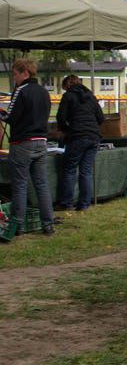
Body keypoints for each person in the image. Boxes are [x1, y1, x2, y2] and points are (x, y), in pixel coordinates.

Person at [0, 59, 55, 239]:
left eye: (15, 74)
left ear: (24, 73)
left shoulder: (21, 91)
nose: (14, 78)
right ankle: (48, 224)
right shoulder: (44, 92)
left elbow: (11, 117)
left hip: (22, 142)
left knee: (20, 185)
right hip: (41, 140)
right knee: (41, 185)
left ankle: (19, 225)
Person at [55, 75, 104, 212]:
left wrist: (66, 130)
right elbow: (101, 117)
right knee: (86, 172)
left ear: (66, 85)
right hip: (93, 136)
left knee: (69, 170)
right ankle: (84, 204)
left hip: (77, 136)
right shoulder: (90, 96)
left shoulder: (68, 96)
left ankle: (67, 203)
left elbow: (61, 117)